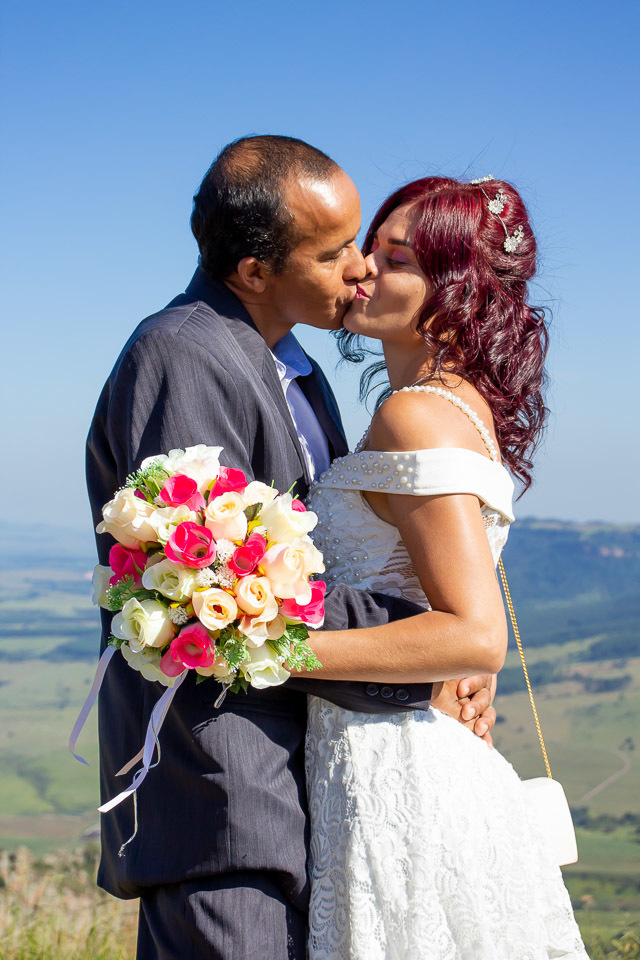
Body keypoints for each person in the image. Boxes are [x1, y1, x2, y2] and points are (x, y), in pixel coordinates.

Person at [86, 137, 497, 960]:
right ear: (253, 272)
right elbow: (208, 596)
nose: (360, 268)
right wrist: (426, 645)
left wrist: (445, 650)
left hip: (304, 790)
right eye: (335, 250)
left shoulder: (299, 374)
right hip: (222, 798)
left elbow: (311, 570)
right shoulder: (184, 354)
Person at [301, 176, 589, 958]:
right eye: (370, 247)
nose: (361, 268)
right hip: (403, 746)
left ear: (454, 293)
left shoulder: (415, 414)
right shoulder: (455, 408)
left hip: (394, 764)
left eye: (396, 259)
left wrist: (269, 653)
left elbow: (474, 635)